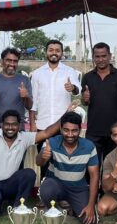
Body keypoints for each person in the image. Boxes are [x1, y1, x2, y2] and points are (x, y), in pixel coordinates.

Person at [0, 84, 68, 220]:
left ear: (19, 126)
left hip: (8, 184)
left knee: (29, 174)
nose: (10, 127)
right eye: (7, 124)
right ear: (2, 125)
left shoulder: (24, 137)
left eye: (14, 124)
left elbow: (47, 133)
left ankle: (18, 207)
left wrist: (65, 116)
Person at [35, 111, 99, 224]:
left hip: (78, 189)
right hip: (56, 185)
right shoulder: (51, 142)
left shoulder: (89, 146)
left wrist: (90, 205)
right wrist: (42, 155)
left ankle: (72, 209)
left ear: (80, 130)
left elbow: (94, 176)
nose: (70, 134)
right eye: (66, 130)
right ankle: (54, 210)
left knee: (90, 222)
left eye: (74, 131)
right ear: (60, 129)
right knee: (47, 188)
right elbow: (38, 162)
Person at [30, 39, 81, 178]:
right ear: (46, 52)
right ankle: (45, 189)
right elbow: (33, 101)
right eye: (51, 50)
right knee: (44, 161)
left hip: (64, 127)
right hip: (43, 126)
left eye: (57, 50)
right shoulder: (37, 74)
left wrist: (73, 88)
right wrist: (33, 124)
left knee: (64, 162)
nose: (54, 53)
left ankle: (64, 189)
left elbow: (78, 90)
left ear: (62, 53)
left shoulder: (69, 71)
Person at [80, 42, 117, 165]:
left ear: (110, 56)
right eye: (97, 56)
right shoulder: (87, 77)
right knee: (93, 167)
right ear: (93, 57)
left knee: (112, 167)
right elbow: (84, 102)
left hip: (115, 132)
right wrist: (84, 98)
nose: (100, 59)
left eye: (104, 56)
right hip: (93, 131)